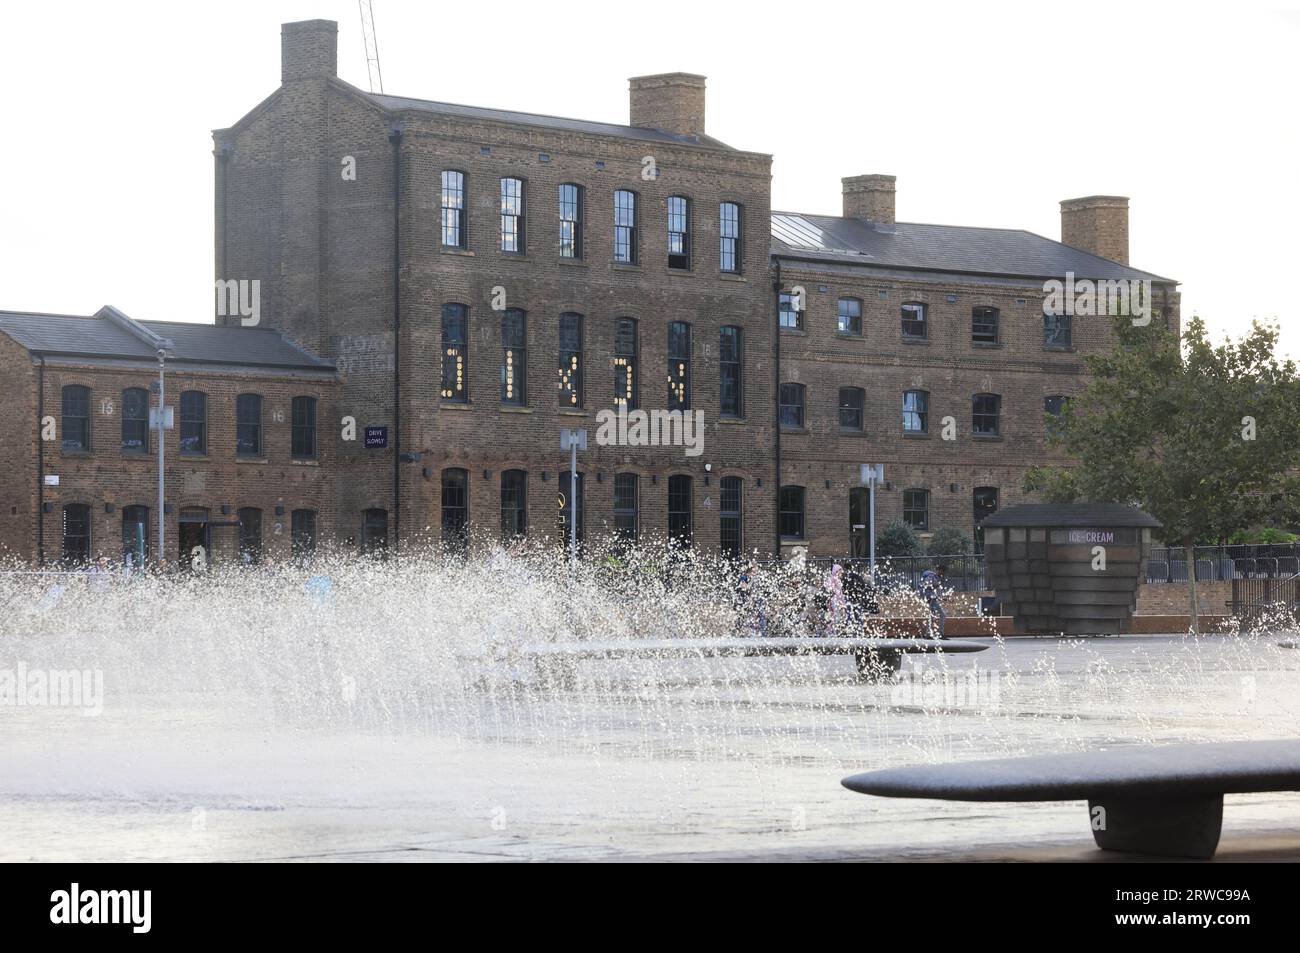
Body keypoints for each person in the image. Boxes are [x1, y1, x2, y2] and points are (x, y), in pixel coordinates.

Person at [920, 564, 947, 639]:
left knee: (932, 615)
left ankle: (928, 634)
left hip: (932, 598)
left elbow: (938, 589)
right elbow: (926, 586)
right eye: (943, 571)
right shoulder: (931, 576)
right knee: (942, 614)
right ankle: (939, 634)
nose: (943, 573)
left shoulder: (937, 578)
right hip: (930, 598)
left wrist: (942, 597)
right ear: (940, 570)